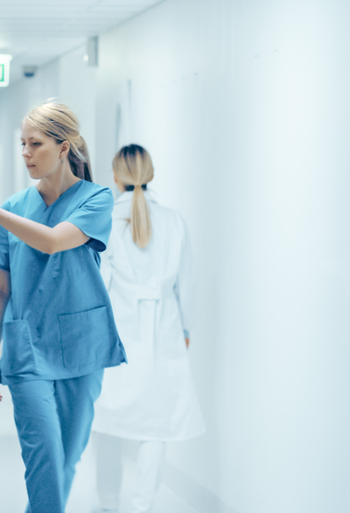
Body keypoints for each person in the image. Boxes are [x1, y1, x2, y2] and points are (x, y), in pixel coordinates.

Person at [0, 102, 127, 513]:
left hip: (83, 347)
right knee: (44, 461)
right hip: (27, 347)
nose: (26, 153)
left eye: (35, 144)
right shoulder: (15, 207)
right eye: (22, 144)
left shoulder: (97, 199)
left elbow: (51, 240)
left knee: (66, 460)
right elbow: (1, 291)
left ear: (64, 147)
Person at [91, 144, 205, 513]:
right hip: (164, 331)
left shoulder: (105, 219)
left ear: (116, 176)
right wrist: (183, 331)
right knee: (156, 425)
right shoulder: (174, 221)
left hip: (116, 335)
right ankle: (143, 506)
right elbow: (184, 286)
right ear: (150, 173)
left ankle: (108, 505)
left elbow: (98, 285)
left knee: (108, 420)